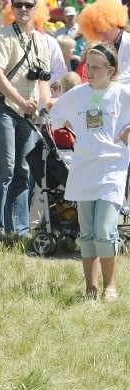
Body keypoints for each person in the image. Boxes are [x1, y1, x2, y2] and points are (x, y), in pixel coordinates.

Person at [49, 44, 130, 302]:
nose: (89, 71)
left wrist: (125, 132)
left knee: (105, 230)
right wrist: (78, 131)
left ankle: (110, 286)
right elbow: (56, 116)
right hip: (83, 168)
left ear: (111, 70)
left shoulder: (122, 94)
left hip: (112, 168)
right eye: (88, 65)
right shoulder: (77, 94)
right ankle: (90, 288)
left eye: (96, 67)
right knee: (86, 233)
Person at [0, 0, 51, 238]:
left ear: (35, 9)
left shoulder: (41, 39)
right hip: (3, 108)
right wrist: (21, 101)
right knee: (5, 170)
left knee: (23, 170)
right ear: (11, 8)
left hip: (27, 112)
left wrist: (48, 103)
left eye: (29, 4)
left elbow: (42, 79)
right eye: (19, 4)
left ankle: (19, 229)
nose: (24, 9)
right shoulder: (1, 36)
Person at [77, 0, 130, 85]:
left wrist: (111, 84)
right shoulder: (102, 47)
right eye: (97, 33)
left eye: (103, 31)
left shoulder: (128, 42)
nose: (101, 37)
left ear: (114, 23)